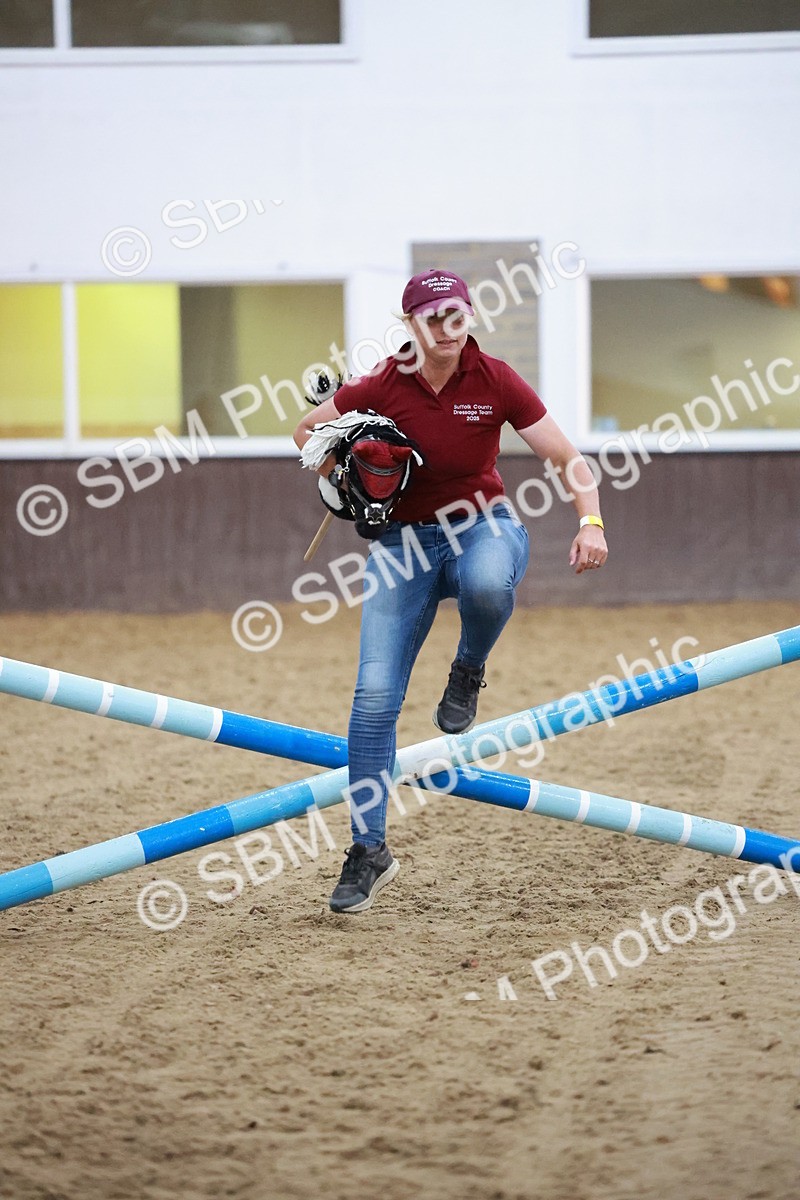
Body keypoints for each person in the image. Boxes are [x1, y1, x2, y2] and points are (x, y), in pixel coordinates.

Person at [293, 269, 607, 914]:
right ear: (410, 324)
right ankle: (368, 849)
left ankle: (468, 669)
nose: (446, 326)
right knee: (373, 698)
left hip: (483, 525)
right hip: (401, 546)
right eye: (432, 315)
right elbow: (305, 433)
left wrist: (591, 521)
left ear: (470, 317)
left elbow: (566, 457)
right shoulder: (382, 383)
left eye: (456, 313)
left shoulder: (495, 379)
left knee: (488, 584)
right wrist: (345, 478)